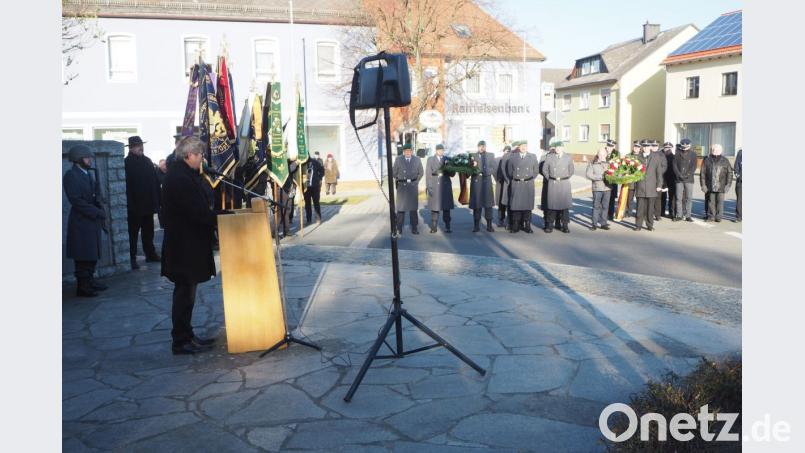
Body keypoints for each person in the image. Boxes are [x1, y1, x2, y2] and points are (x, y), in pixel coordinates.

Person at [160, 137, 220, 355]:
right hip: (183, 246)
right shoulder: (179, 178)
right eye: (200, 155)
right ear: (189, 155)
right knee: (184, 294)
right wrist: (220, 219)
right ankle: (180, 340)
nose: (202, 158)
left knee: (188, 293)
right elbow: (196, 212)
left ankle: (188, 335)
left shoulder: (184, 174)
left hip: (188, 243)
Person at [63, 144, 109, 297]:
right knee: (83, 255)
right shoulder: (71, 175)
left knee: (92, 253)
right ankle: (83, 286)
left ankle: (89, 280)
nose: (90, 160)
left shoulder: (87, 173)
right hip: (81, 221)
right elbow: (77, 201)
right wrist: (97, 212)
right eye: (87, 157)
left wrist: (100, 202)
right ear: (78, 159)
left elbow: (93, 196)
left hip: (91, 220)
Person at [124, 136, 161, 269]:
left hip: (149, 204)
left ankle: (150, 254)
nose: (140, 147)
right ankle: (132, 258)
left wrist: (158, 201)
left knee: (149, 232)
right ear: (131, 148)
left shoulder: (147, 161)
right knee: (133, 234)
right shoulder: (126, 163)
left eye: (141, 144)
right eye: (137, 145)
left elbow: (155, 182)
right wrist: (131, 205)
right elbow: (127, 187)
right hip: (135, 206)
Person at [504, 140, 539, 233]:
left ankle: (527, 225)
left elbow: (536, 171)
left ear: (527, 147)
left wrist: (529, 178)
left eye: (525, 146)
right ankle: (515, 225)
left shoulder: (532, 156)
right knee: (516, 206)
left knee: (527, 206)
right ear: (519, 147)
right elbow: (510, 171)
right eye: (522, 146)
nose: (523, 148)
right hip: (517, 183)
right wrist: (516, 178)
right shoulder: (513, 157)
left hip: (528, 184)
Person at [541, 139, 574, 233]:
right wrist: (551, 179)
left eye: (560, 147)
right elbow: (544, 170)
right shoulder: (549, 157)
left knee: (564, 207)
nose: (558, 149)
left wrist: (564, 178)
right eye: (556, 147)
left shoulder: (568, 157)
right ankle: (550, 225)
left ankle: (565, 225)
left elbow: (571, 170)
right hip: (552, 183)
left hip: (564, 184)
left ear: (563, 148)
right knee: (552, 206)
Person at [634, 140, 665, 231]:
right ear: (642, 147)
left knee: (650, 209)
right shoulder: (637, 157)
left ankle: (649, 225)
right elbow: (634, 172)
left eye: (647, 146)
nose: (645, 148)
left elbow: (659, 173)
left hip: (652, 187)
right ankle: (638, 225)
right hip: (641, 186)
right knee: (640, 208)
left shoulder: (656, 157)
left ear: (650, 147)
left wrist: (659, 185)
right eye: (643, 146)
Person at [393, 143, 423, 234]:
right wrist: (399, 179)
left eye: (409, 151)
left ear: (412, 151)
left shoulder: (417, 159)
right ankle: (399, 228)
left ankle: (414, 227)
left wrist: (416, 182)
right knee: (401, 209)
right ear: (403, 152)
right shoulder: (398, 159)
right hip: (402, 186)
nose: (408, 152)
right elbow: (394, 173)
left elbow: (421, 172)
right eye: (406, 151)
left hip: (413, 186)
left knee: (413, 209)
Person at [425, 144, 455, 233]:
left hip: (445, 185)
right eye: (439, 150)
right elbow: (428, 174)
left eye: (442, 150)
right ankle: (434, 227)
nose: (441, 151)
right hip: (435, 184)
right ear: (436, 151)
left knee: (446, 208)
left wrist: (449, 167)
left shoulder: (447, 159)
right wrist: (429, 186)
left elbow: (452, 174)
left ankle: (447, 226)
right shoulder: (430, 159)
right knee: (435, 208)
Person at [700, 144, 733, 222]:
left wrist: (728, 185)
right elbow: (702, 173)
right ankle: (711, 216)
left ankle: (719, 217)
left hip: (721, 185)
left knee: (720, 202)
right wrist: (703, 185)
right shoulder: (707, 160)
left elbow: (730, 173)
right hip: (710, 185)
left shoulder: (725, 160)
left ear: (720, 151)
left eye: (717, 150)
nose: (715, 151)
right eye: (713, 149)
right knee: (711, 202)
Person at [469, 140, 496, 232]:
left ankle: (489, 225)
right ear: (478, 147)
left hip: (486, 182)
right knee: (477, 205)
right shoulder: (472, 156)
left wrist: (483, 171)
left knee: (488, 205)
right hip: (476, 183)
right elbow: (468, 171)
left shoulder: (490, 155)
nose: (482, 148)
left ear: (485, 147)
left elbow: (493, 168)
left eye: (483, 146)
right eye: (480, 146)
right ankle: (476, 226)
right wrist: (473, 167)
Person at [672, 138, 698, 222]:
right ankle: (679, 215)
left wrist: (688, 174)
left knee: (689, 198)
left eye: (686, 147)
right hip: (679, 179)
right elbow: (674, 165)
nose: (685, 148)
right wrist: (679, 174)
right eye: (683, 147)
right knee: (678, 198)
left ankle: (688, 216)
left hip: (689, 179)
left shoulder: (693, 154)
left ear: (689, 146)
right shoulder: (677, 154)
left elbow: (694, 166)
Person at [586, 148, 611, 231]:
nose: (602, 156)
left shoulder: (610, 163)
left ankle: (603, 223)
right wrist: (599, 177)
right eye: (600, 154)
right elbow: (588, 174)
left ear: (606, 155)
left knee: (605, 207)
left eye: (603, 154)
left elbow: (615, 173)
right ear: (597, 155)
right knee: (596, 207)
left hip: (607, 188)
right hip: (597, 187)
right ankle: (594, 224)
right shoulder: (593, 163)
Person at [278, 157, 299, 237]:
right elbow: (287, 170)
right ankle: (273, 232)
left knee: (287, 211)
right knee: (280, 213)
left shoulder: (286, 161)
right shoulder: (279, 161)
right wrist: (296, 162)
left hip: (288, 189)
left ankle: (286, 231)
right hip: (282, 190)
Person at [648, 140, 668, 222]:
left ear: (658, 146)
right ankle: (649, 213)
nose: (654, 147)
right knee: (649, 198)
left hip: (658, 179)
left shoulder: (661, 155)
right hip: (649, 179)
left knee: (658, 198)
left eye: (656, 146)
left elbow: (664, 166)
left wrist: (658, 173)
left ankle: (657, 215)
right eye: (653, 145)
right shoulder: (648, 154)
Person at [495, 145, 512, 229]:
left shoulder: (511, 159)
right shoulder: (498, 160)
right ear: (503, 151)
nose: (507, 153)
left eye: (509, 151)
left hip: (507, 185)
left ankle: (508, 221)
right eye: (506, 151)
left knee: (508, 204)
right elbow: (495, 171)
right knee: (501, 205)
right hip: (500, 184)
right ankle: (501, 220)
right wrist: (497, 180)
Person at [303, 156, 325, 224]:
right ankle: (308, 219)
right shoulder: (302, 163)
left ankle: (318, 218)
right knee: (307, 204)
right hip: (306, 187)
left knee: (316, 202)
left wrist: (319, 178)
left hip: (315, 186)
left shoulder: (315, 162)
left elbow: (322, 170)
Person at [626, 141, 643, 217]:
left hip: (640, 180)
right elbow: (624, 167)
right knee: (629, 197)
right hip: (631, 180)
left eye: (638, 147)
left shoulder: (643, 156)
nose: (636, 148)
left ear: (640, 148)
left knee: (639, 197)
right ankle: (628, 212)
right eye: (635, 147)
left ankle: (638, 213)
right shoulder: (628, 156)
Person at [659, 142, 676, 219]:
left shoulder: (674, 157)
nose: (667, 149)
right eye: (666, 147)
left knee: (672, 197)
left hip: (671, 179)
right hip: (662, 178)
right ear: (664, 148)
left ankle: (671, 212)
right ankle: (661, 212)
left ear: (671, 148)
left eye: (669, 148)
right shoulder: (660, 156)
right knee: (662, 196)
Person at [605, 139, 619, 221]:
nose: (610, 148)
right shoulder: (602, 152)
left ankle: (610, 214)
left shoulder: (616, 153)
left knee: (612, 198)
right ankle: (603, 214)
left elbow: (618, 165)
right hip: (604, 180)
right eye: (609, 146)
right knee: (604, 198)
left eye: (612, 146)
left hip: (613, 180)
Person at [734, 148, 742, 222]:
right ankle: (739, 216)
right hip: (741, 181)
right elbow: (736, 165)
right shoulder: (741, 152)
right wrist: (738, 175)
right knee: (740, 199)